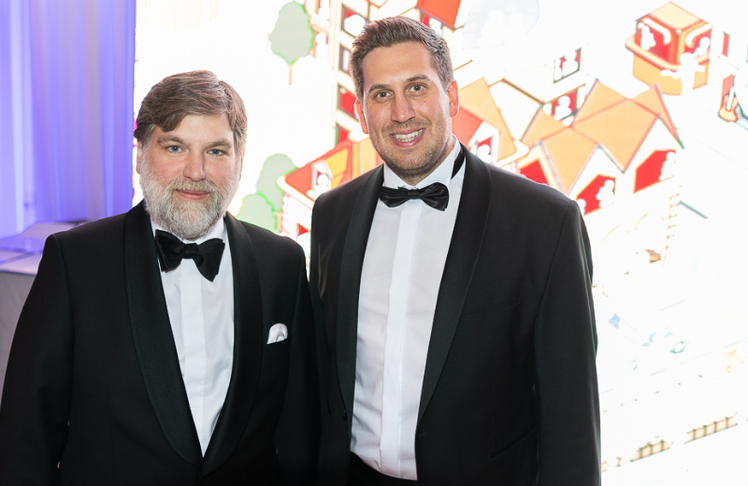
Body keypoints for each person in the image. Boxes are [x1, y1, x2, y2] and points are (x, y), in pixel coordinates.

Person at [310, 17, 600, 486]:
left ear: (452, 96)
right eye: (381, 94)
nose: (401, 112)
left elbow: (571, 418)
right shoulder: (332, 215)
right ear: (361, 113)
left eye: (417, 87)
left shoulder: (545, 224)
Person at [0, 70, 318, 485]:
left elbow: (298, 433)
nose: (195, 171)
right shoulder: (75, 260)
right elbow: (26, 434)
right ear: (140, 154)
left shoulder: (282, 263)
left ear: (240, 160)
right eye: (175, 147)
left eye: (216, 151)